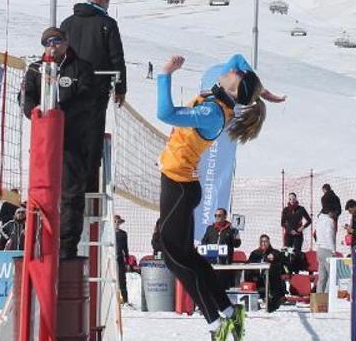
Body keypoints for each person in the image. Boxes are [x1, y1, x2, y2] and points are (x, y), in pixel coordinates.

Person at [155, 53, 285, 338]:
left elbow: (164, 113)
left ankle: (215, 322)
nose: (232, 70)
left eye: (238, 74)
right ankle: (227, 311)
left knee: (176, 259)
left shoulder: (211, 113)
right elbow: (237, 58)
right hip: (180, 185)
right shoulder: (222, 96)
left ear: (235, 86)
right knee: (183, 254)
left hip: (179, 187)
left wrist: (165, 74)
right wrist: (261, 89)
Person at [22, 27, 95, 259]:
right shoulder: (35, 69)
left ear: (66, 42)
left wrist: (59, 113)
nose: (52, 46)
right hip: (45, 141)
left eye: (57, 41)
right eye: (47, 42)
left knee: (71, 195)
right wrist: (36, 111)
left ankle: (66, 247)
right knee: (40, 191)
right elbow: (26, 98)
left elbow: (87, 99)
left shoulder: (80, 68)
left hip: (72, 140)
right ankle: (38, 243)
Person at [60, 0, 127, 195]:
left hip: (69, 83)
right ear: (101, 1)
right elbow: (117, 57)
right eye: (107, 0)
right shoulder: (107, 24)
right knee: (93, 130)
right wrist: (120, 87)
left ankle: (68, 173)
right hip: (97, 84)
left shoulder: (67, 23)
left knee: (70, 127)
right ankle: (89, 177)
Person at [247, 234, 286, 313]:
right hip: (257, 278)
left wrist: (273, 256)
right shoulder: (255, 253)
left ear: (269, 242)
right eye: (262, 241)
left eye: (265, 241)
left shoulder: (274, 252)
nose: (263, 243)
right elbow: (249, 264)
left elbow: (281, 258)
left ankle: (273, 299)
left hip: (271, 279)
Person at [314, 211, 336, 293]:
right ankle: (327, 296)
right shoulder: (329, 221)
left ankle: (319, 296)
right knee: (331, 274)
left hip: (319, 248)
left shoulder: (319, 220)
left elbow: (315, 234)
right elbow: (329, 235)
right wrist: (333, 250)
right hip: (327, 249)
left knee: (322, 276)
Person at [114, 215, 129, 304]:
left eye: (118, 222)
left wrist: (127, 260)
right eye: (115, 222)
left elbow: (125, 248)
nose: (117, 224)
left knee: (122, 280)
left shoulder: (123, 234)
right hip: (111, 258)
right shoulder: (109, 233)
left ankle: (124, 300)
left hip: (119, 258)